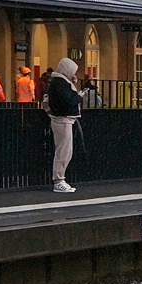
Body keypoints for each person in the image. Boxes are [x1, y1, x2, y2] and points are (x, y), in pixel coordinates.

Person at [47, 57, 83, 193]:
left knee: (65, 151)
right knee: (63, 151)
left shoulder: (59, 82)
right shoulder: (60, 83)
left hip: (62, 119)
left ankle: (60, 179)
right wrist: (79, 96)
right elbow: (68, 101)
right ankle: (58, 180)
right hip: (63, 120)